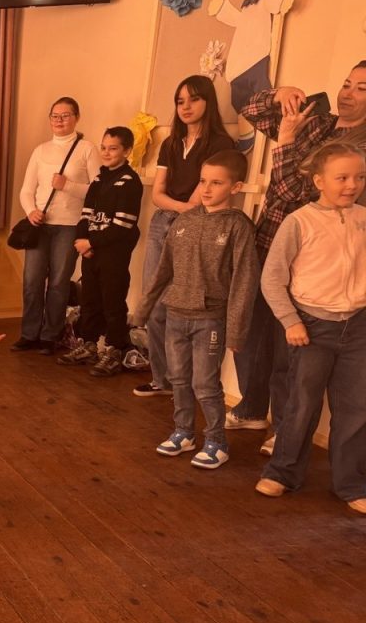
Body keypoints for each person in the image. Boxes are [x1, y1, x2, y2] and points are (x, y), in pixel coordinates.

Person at [230, 61, 366, 456]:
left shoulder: (356, 149)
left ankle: (286, 429)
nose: (347, 93)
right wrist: (279, 94)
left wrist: (286, 141)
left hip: (310, 257)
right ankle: (252, 409)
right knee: (252, 334)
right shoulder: (319, 122)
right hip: (268, 239)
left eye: (361, 89)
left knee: (288, 349)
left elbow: (294, 190)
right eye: (347, 83)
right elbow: (249, 109)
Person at [254, 142, 366, 514]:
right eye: (342, 178)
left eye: (359, 177)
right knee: (301, 405)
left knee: (356, 408)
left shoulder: (364, 219)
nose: (352, 185)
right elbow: (272, 278)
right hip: (311, 328)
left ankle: (351, 484)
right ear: (319, 180)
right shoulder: (299, 222)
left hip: (358, 328)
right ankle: (282, 473)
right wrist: (291, 321)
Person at [133, 150, 258, 470]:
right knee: (178, 378)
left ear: (235, 187)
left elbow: (244, 281)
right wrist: (143, 310)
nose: (206, 189)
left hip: (210, 320)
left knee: (205, 384)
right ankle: (183, 432)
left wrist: (236, 330)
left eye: (217, 183)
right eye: (203, 181)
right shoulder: (184, 220)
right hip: (176, 315)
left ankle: (216, 441)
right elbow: (163, 269)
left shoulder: (238, 227)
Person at [135, 75, 235, 397]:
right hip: (163, 223)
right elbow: (157, 195)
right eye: (180, 101)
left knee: (184, 306)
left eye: (193, 99)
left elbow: (200, 199)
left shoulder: (219, 144)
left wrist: (179, 209)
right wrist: (177, 208)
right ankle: (161, 379)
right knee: (153, 302)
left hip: (196, 229)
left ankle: (186, 383)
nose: (186, 107)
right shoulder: (170, 143)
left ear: (208, 101)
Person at [12, 96, 100, 355]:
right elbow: (26, 190)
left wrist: (68, 186)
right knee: (32, 281)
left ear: (77, 118)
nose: (59, 120)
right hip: (40, 225)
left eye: (65, 115)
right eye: (55, 116)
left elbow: (98, 191)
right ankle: (29, 333)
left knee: (59, 283)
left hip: (70, 225)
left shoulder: (87, 148)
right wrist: (31, 211)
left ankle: (51, 335)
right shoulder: (40, 150)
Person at [58, 126, 143, 377]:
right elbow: (85, 215)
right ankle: (89, 345)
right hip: (91, 252)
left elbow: (122, 225)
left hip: (113, 255)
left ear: (127, 150)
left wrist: (91, 243)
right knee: (90, 300)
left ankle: (115, 350)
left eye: (113, 148)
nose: (106, 153)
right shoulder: (98, 180)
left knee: (113, 302)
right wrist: (81, 240)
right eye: (104, 147)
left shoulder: (129, 182)